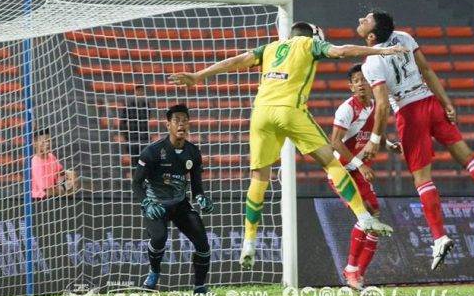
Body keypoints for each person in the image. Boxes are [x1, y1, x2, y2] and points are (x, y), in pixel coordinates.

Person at [170, 21, 406, 269]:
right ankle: (363, 216)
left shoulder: (270, 48)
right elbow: (342, 51)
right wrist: (381, 51)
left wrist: (198, 76)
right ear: (313, 35)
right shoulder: (309, 44)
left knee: (258, 177)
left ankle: (249, 241)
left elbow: (236, 61)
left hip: (261, 114)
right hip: (289, 111)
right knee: (330, 161)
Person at [357, 10, 474, 271]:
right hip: (430, 103)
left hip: (410, 113)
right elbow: (427, 70)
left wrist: (376, 139)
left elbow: (383, 105)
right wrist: (446, 102)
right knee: (467, 157)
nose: (361, 20)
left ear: (372, 36)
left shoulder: (372, 62)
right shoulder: (404, 38)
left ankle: (440, 237)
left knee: (422, 179)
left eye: (366, 20)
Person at [330, 64, 400, 290]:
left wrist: (388, 144)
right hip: (341, 172)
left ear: (370, 83)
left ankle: (359, 274)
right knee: (366, 216)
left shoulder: (374, 106)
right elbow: (335, 142)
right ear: (351, 86)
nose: (360, 83)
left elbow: (373, 131)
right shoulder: (347, 109)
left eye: (363, 79)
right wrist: (360, 165)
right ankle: (351, 269)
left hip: (359, 170)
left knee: (375, 217)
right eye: (355, 81)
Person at [132, 104, 214, 294]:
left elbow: (196, 186)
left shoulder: (193, 152)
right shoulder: (152, 152)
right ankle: (153, 272)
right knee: (159, 238)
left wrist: (201, 198)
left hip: (180, 204)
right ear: (168, 124)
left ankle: (200, 287)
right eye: (177, 120)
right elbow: (136, 183)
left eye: (185, 120)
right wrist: (146, 203)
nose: (181, 124)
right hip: (156, 204)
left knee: (203, 243)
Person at [31, 129, 77, 200]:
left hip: (54, 195)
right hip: (39, 201)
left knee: (72, 173)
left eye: (49, 141)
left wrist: (70, 175)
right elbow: (48, 191)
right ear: (35, 143)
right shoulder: (35, 163)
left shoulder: (51, 156)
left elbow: (61, 172)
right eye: (43, 141)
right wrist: (68, 192)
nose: (47, 144)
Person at [120, 85, 151, 167]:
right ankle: (136, 178)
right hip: (132, 137)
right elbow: (123, 121)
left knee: (145, 160)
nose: (141, 93)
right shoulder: (129, 105)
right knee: (135, 161)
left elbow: (147, 119)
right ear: (135, 92)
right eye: (139, 91)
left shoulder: (146, 105)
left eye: (142, 91)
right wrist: (126, 135)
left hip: (144, 137)